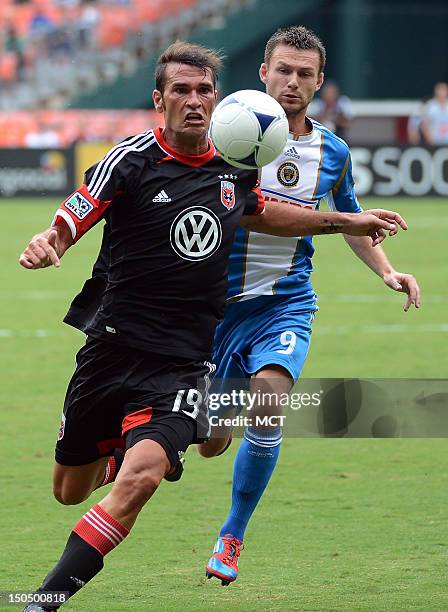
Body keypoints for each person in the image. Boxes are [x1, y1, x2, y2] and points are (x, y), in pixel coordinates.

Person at [18, 41, 403, 611]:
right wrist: (51, 240)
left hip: (182, 360)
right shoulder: (129, 159)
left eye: (204, 91)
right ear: (159, 99)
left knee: (145, 478)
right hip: (112, 348)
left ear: (218, 100)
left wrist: (348, 219)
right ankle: (114, 447)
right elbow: (77, 210)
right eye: (181, 90)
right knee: (69, 490)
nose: (194, 101)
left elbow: (268, 211)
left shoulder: (234, 166)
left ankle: (41, 600)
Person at [199, 26, 420, 586]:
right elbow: (255, 213)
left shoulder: (333, 151)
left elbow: (353, 217)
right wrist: (347, 222)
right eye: (282, 70)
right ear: (263, 73)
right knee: (209, 441)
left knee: (270, 399)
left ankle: (232, 537)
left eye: (303, 74)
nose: (291, 82)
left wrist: (387, 270)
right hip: (213, 307)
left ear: (320, 82)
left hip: (286, 303)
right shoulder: (226, 138)